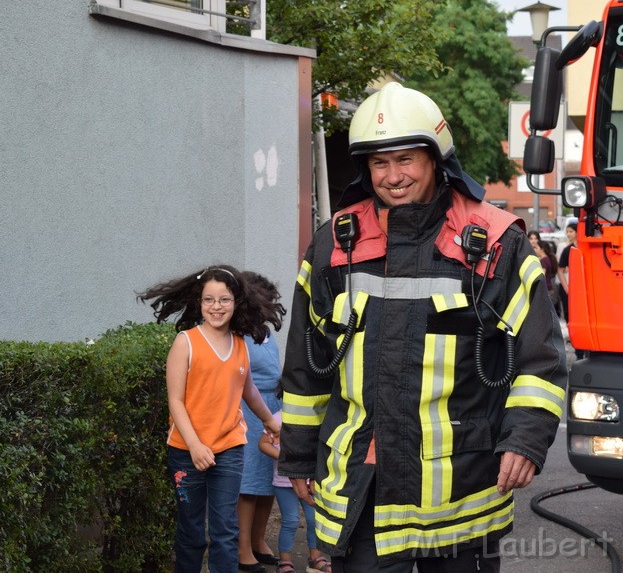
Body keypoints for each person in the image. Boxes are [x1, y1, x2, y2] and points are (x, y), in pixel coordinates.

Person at [278, 82, 567, 571]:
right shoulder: (334, 246)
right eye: (379, 163)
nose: (392, 177)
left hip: (461, 492)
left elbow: (540, 359)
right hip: (362, 486)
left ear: (437, 159)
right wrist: (298, 457)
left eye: (406, 159)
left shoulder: (497, 244)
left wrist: (525, 439)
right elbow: (307, 368)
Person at [139, 265, 284, 573]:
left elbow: (248, 390)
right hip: (186, 452)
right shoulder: (186, 342)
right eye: (209, 299)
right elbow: (175, 402)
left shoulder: (240, 343)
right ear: (200, 302)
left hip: (229, 447)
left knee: (226, 530)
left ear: (236, 302)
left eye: (224, 299)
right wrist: (194, 446)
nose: (216, 307)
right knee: (191, 532)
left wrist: (271, 421)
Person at [238, 273, 287, 571]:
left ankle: (258, 541)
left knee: (269, 482)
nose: (270, 306)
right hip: (248, 412)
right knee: (248, 484)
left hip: (274, 407)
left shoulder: (266, 331)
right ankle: (242, 548)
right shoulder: (237, 333)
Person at [259, 405, 330, 573]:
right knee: (291, 521)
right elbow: (263, 444)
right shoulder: (277, 418)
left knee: (315, 520)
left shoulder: (316, 417)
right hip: (284, 482)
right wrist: (285, 458)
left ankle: (315, 557)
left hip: (310, 480)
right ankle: (285, 561)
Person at [557, 221, 577, 322]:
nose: (569, 234)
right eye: (567, 231)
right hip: (570, 284)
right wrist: (566, 287)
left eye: (571, 231)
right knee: (569, 313)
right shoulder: (567, 249)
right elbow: (560, 269)